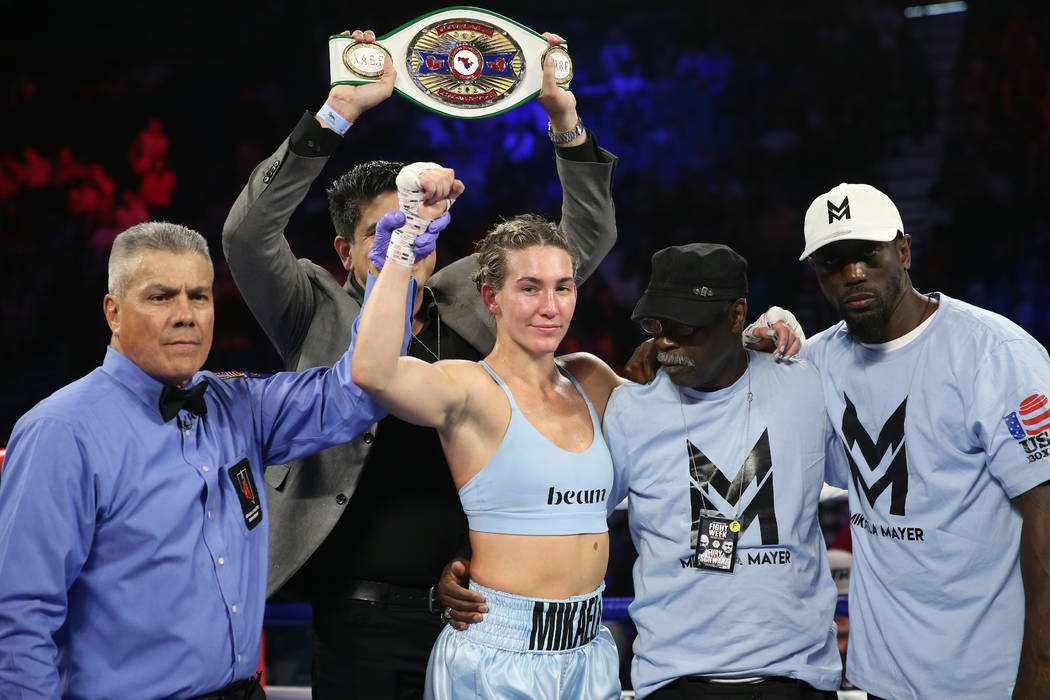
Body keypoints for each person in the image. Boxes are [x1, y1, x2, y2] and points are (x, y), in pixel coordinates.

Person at [220, 27, 619, 697]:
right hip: (358, 617)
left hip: (479, 608)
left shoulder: (467, 294)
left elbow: (578, 242)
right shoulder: (310, 306)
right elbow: (245, 234)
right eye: (386, 231)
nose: (411, 239)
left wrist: (565, 124)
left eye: (422, 222)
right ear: (344, 252)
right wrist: (336, 114)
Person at [0, 219, 433, 698]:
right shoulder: (61, 432)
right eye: (161, 297)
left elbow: (359, 389)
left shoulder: (239, 404)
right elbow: (20, 616)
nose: (186, 315)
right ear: (114, 311)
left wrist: (397, 269)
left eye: (199, 296)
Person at [440, 244, 841, 699]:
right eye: (658, 325)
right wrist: (464, 562)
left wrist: (779, 321)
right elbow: (556, 503)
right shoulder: (631, 409)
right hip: (675, 679)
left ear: (736, 316)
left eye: (684, 326)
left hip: (798, 676)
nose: (667, 342)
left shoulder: (808, 384)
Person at [352, 210, 625, 699]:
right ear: (491, 298)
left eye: (563, 287)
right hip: (498, 658)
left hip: (589, 651)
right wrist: (401, 251)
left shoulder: (591, 378)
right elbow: (373, 372)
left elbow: (685, 415)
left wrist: (756, 340)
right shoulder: (468, 387)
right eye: (529, 288)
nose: (550, 306)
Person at [798, 183, 1050, 699]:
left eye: (867, 254)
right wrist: (757, 334)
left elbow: (1046, 514)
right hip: (881, 678)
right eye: (833, 261)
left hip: (993, 679)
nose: (853, 273)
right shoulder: (816, 361)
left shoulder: (993, 353)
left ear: (904, 251)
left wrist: (1040, 674)